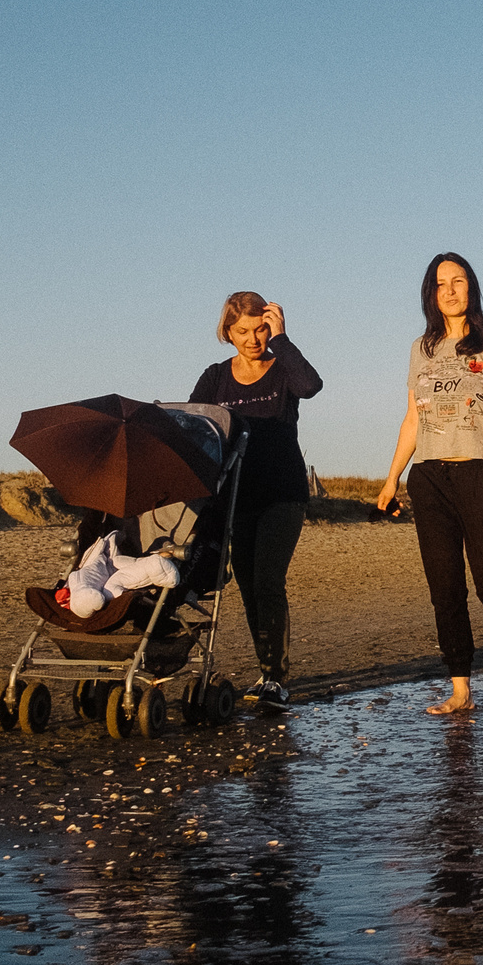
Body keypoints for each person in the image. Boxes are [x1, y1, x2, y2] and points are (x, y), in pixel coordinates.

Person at [375, 252, 483, 715]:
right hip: (430, 477)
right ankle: (460, 688)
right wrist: (392, 478)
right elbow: (412, 419)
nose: (449, 290)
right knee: (445, 588)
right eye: (440, 283)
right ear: (430, 294)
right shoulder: (421, 349)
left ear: (471, 288)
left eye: (458, 281)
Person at [191, 291, 322, 709]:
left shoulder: (283, 370)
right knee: (248, 585)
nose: (253, 338)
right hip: (235, 497)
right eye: (243, 330)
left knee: (268, 581)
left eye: (261, 328)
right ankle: (267, 671)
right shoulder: (215, 377)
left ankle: (276, 679)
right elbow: (195, 427)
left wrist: (282, 341)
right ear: (228, 331)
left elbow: (311, 386)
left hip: (283, 492)